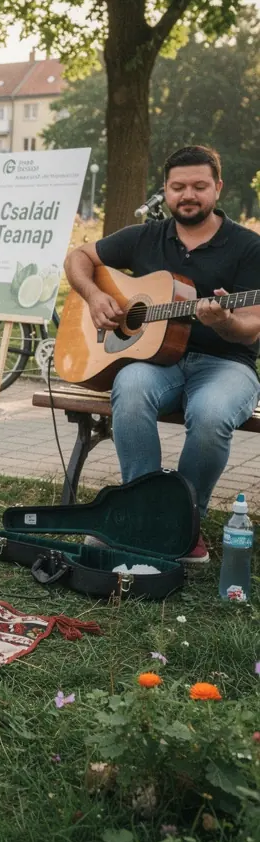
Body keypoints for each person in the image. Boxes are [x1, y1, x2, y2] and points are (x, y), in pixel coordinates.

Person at [63, 145, 260, 564]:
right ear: (166, 191)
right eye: (178, 187)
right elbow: (78, 257)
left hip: (226, 364)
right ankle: (141, 512)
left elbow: (249, 328)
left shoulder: (247, 246)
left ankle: (182, 523)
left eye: (199, 186)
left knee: (210, 415)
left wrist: (223, 322)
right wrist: (95, 295)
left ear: (218, 188)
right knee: (129, 388)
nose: (188, 195)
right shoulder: (145, 237)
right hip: (157, 363)